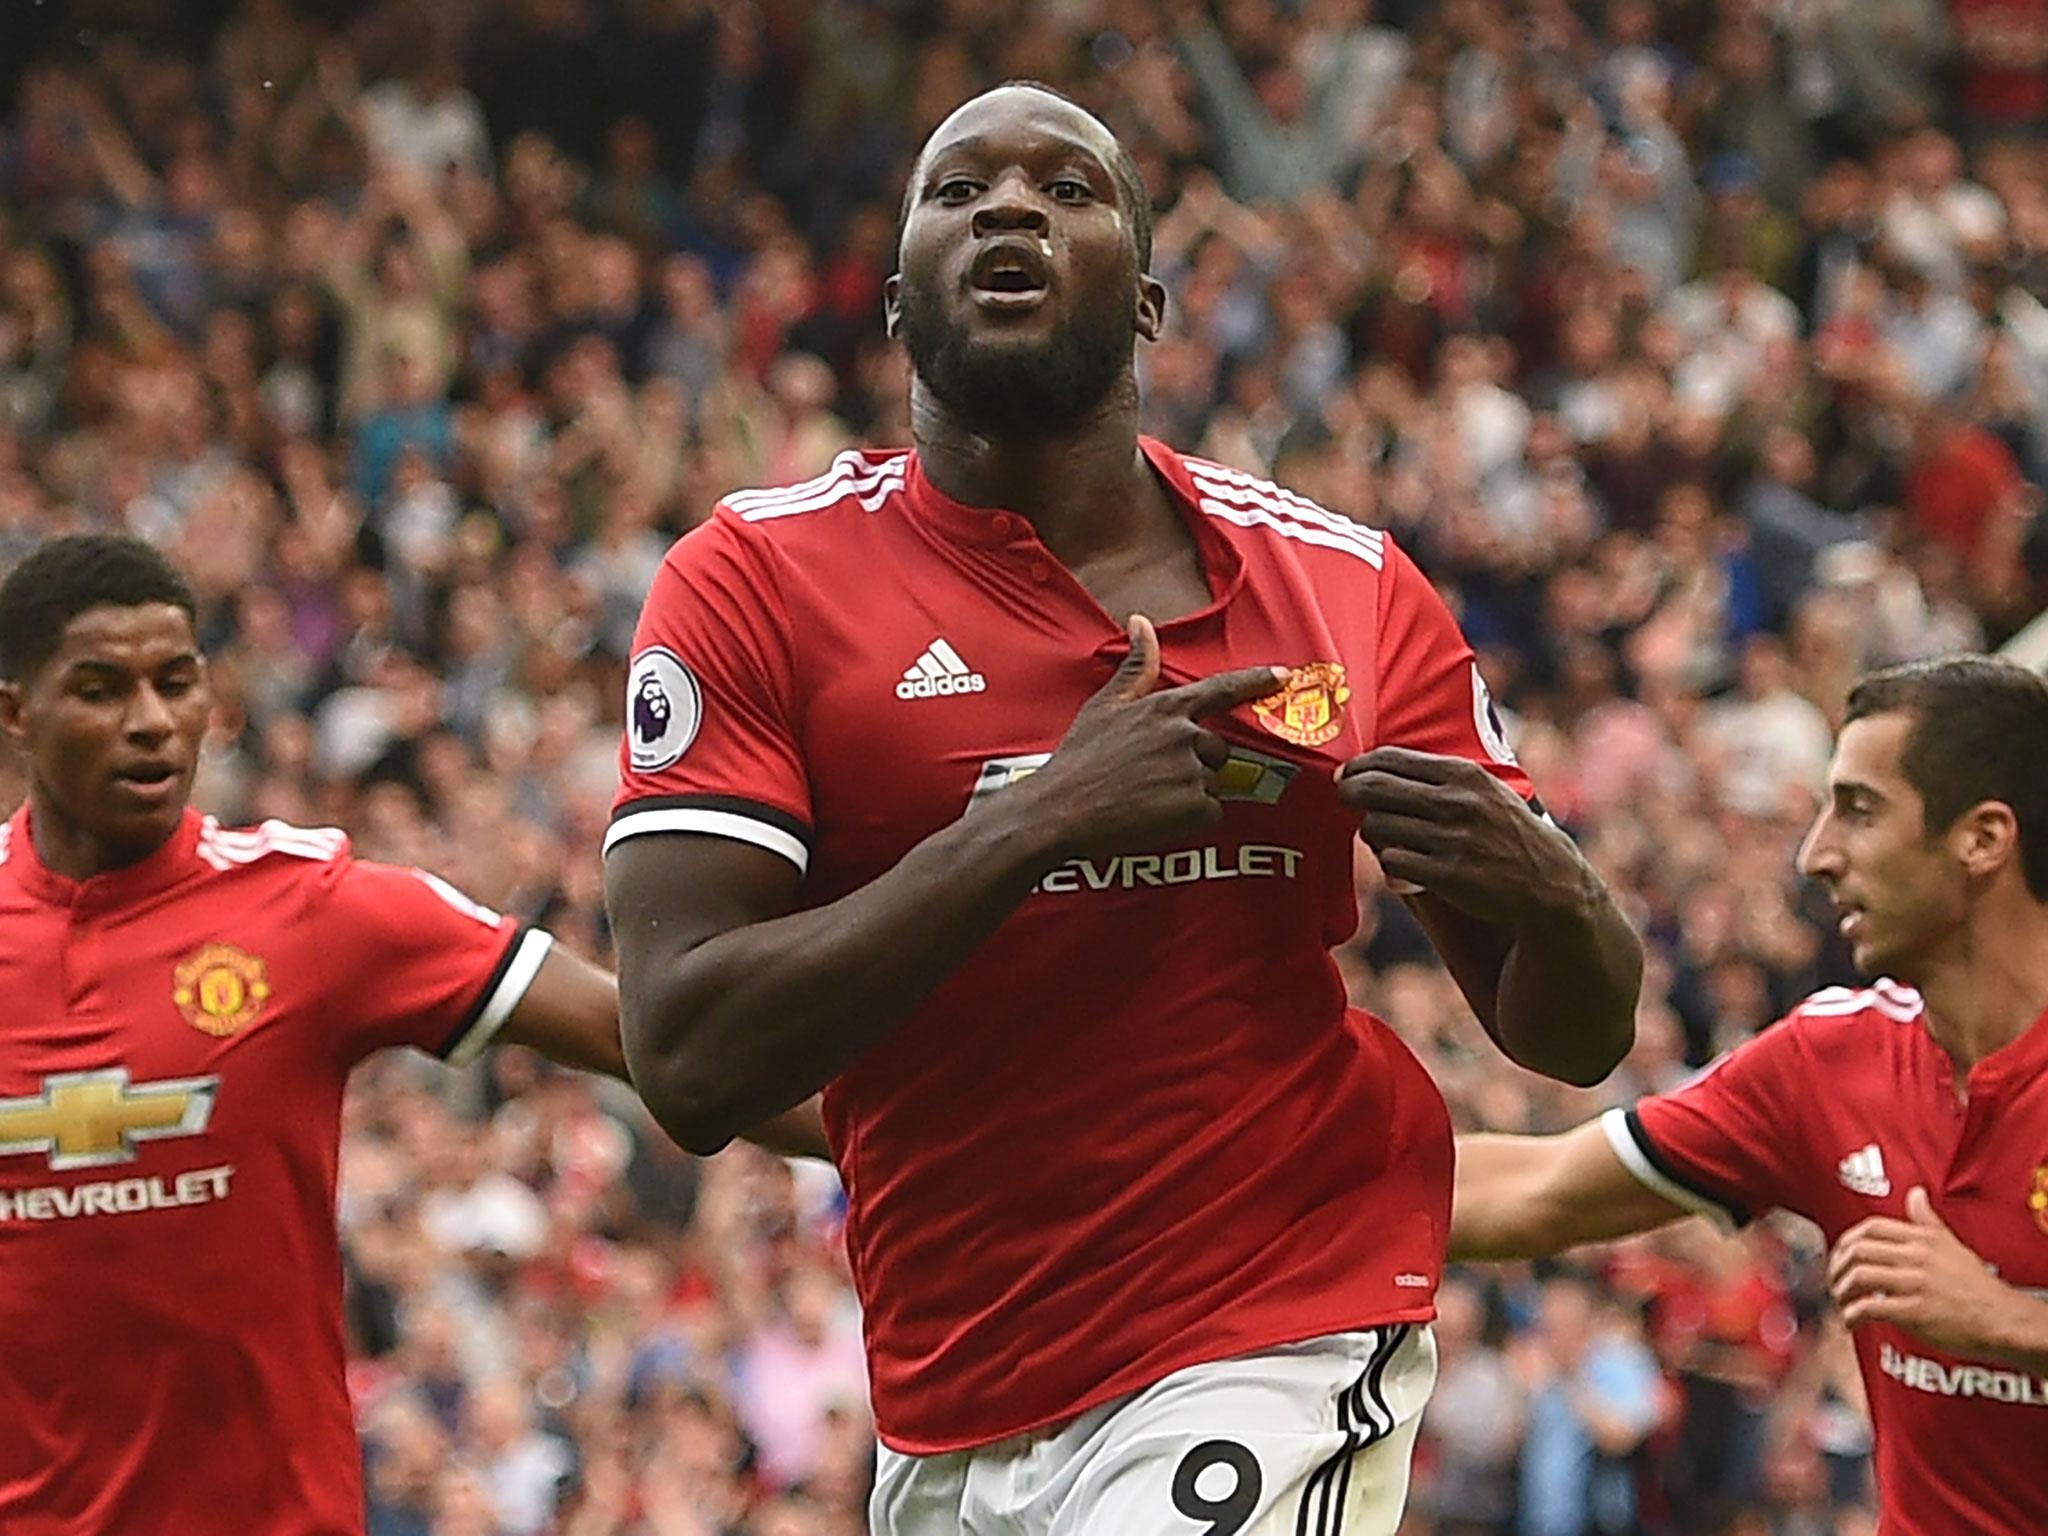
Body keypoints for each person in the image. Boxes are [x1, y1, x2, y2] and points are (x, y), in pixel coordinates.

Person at [606, 82, 1642, 1536]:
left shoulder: (1343, 592)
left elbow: (1571, 1030)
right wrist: (1035, 823)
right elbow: (688, 1054)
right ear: (899, 302)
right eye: (958, 193)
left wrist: (1561, 894)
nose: (1011, 206)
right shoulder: (750, 585)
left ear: (1149, 304)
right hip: (953, 1388)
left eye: (1066, 188)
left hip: (1280, 1316)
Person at [0, 534, 822, 1535]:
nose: (151, 723)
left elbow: (647, 1042)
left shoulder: (306, 908)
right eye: (99, 690)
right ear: (15, 712)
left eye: (177, 684)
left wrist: (915, 1147)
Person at [1450, 655, 2048, 1535]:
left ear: (1983, 839)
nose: (1817, 856)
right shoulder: (1829, 1059)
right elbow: (1533, 1191)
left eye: (1859, 810)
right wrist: (1231, 1191)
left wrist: (2012, 1324)